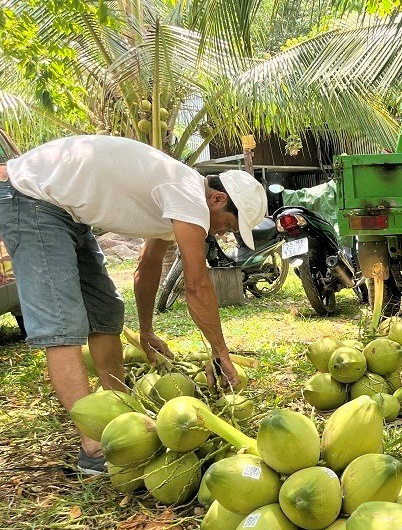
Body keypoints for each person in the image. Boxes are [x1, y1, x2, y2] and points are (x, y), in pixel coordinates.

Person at [0, 135, 267, 475]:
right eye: (227, 225)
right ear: (217, 199)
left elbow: (147, 267)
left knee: (106, 312)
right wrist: (220, 351)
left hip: (65, 211)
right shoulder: (188, 197)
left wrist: (146, 330)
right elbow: (197, 285)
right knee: (62, 327)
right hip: (32, 199)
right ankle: (94, 446)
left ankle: (119, 413)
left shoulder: (177, 198)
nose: (219, 234)